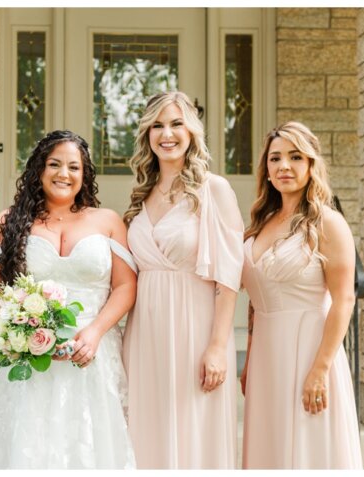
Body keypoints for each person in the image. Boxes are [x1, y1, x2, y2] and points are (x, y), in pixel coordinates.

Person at [0, 130, 138, 469]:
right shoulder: (9, 222)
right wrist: (23, 324)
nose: (63, 174)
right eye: (54, 164)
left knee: (84, 449)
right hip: (25, 355)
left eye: (74, 167)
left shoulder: (108, 221)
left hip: (89, 355)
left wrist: (96, 331)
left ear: (85, 175)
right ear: (38, 170)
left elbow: (126, 286)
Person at [121, 91, 243, 468]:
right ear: (147, 135)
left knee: (195, 430)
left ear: (191, 131)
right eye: (157, 125)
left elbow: (228, 276)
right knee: (145, 430)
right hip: (145, 333)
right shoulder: (142, 194)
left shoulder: (213, 190)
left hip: (195, 328)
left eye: (176, 123)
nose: (166, 133)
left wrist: (219, 347)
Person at [240, 121, 362, 469]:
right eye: (275, 158)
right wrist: (249, 361)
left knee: (310, 448)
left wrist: (320, 369)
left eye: (295, 157)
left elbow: (344, 299)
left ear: (311, 164)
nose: (284, 167)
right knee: (272, 449)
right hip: (266, 355)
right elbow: (254, 302)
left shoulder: (328, 222)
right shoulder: (260, 222)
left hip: (311, 348)